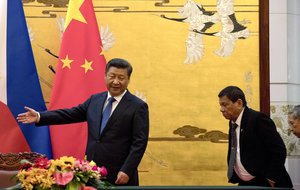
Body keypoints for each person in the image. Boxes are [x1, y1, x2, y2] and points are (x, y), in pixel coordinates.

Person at [17, 58, 149, 186]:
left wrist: (127, 170)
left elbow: (139, 143)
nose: (115, 81)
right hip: (93, 173)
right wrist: (40, 116)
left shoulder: (138, 106)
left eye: (121, 78)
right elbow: (69, 114)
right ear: (105, 76)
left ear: (128, 79)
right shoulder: (95, 100)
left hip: (120, 175)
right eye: (112, 76)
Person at [218, 86, 293, 188]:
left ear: (239, 103)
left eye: (225, 105)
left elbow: (278, 150)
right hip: (245, 183)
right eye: (220, 105)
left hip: (266, 183)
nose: (221, 109)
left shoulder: (258, 119)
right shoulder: (232, 122)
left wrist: (271, 177)